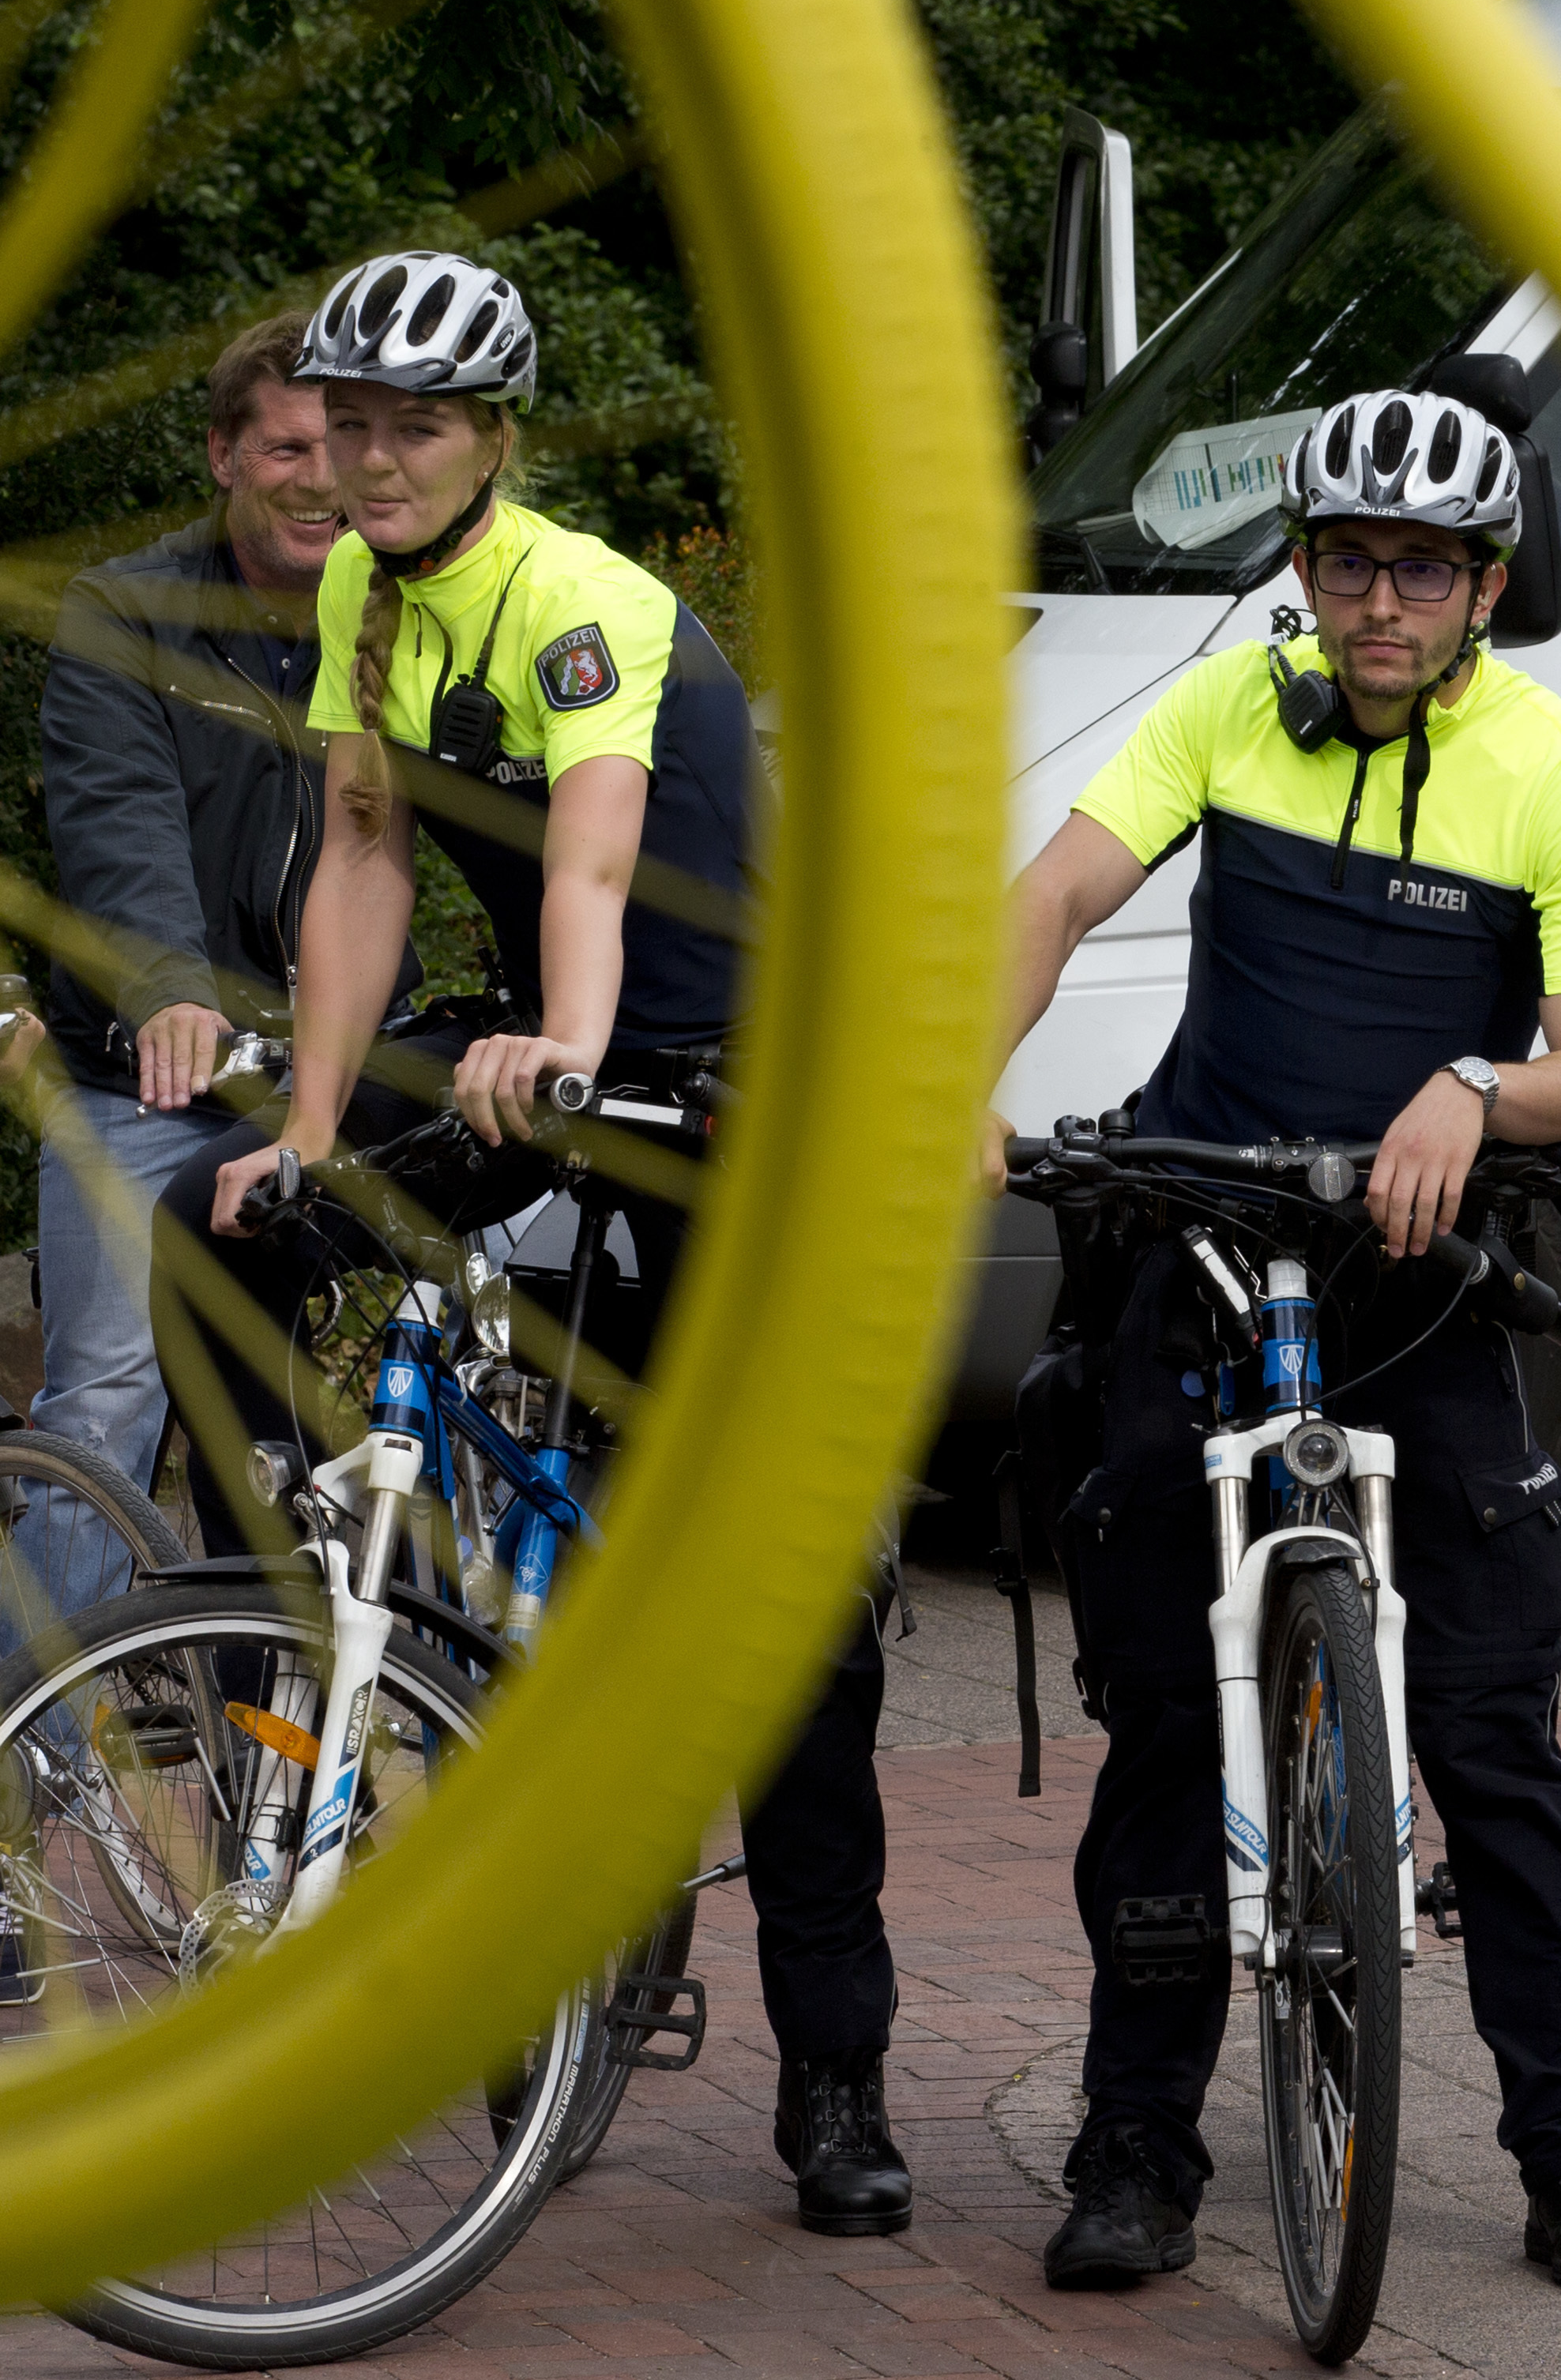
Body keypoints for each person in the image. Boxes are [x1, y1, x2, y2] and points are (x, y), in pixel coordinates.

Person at [150, 248, 913, 2238]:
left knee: (783, 1633)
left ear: (498, 438)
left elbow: (586, 856)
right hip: (533, 1051)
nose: (369, 462)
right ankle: (303, 1577)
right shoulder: (354, 592)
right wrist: (308, 1135)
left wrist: (566, 1048)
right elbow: (368, 852)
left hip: (707, 1067)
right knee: (216, 1224)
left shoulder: (580, 602)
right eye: (345, 428)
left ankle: (839, 2082)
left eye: (414, 429)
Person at [987, 386, 1561, 2292]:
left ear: (1484, 589)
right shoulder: (1224, 709)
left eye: (1426, 570)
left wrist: (1475, 1082)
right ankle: (1137, 2149)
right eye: (1352, 562)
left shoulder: (1551, 765)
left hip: (1419, 1280)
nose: (1383, 601)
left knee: (1488, 1733)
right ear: (1302, 568)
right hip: (1201, 1243)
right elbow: (1053, 892)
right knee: (1154, 1741)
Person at [8, 314, 404, 1650]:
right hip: (147, 1073)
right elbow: (121, 829)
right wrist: (171, 991)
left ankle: (293, 1737)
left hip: (331, 1077)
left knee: (347, 1412)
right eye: (286, 445)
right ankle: (25, 1765)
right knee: (109, 1400)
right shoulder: (129, 610)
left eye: (339, 445)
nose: (319, 478)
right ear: (225, 456)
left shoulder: (396, 618)